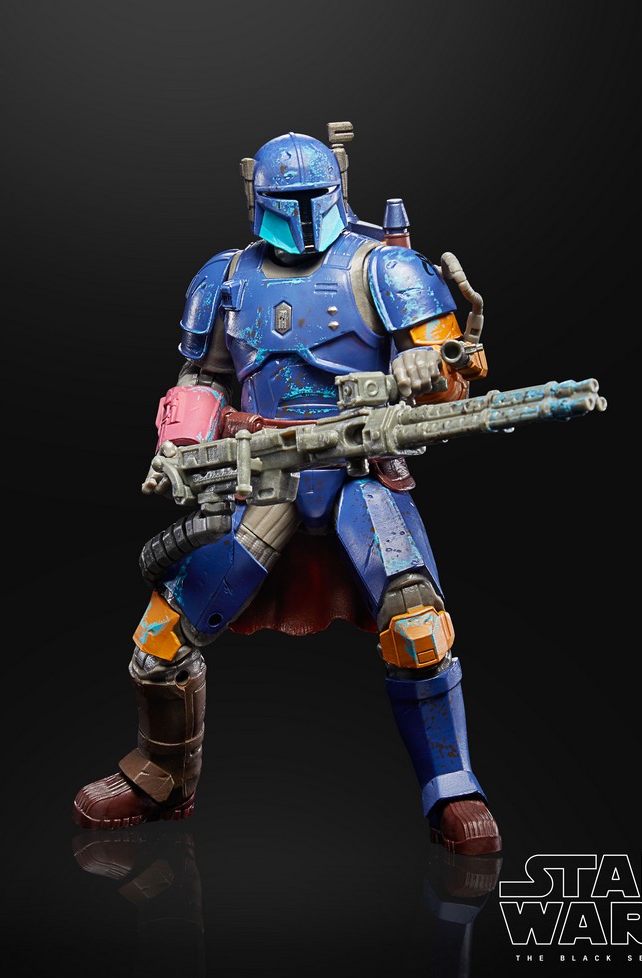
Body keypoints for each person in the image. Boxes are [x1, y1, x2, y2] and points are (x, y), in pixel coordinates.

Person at [73, 126, 501, 855]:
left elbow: (453, 370)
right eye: (286, 201)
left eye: (313, 198)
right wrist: (181, 446)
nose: (301, 217)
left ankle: (452, 787)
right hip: (260, 475)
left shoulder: (384, 267)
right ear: (255, 194)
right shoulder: (226, 276)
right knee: (162, 637)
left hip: (360, 473)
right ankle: (161, 775)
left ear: (337, 186)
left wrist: (426, 369)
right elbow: (203, 375)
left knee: (418, 626)